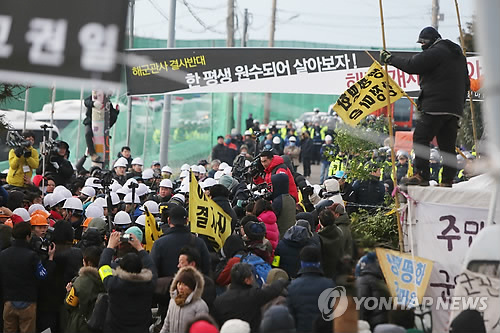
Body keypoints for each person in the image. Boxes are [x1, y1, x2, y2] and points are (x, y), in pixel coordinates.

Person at [380, 26, 469, 187]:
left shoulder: (436, 52)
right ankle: (447, 180)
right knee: (447, 146)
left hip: (435, 105)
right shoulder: (458, 56)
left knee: (421, 138)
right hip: (454, 109)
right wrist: (458, 106)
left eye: (423, 42)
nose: (422, 46)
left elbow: (412, 65)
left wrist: (390, 59)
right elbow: (467, 83)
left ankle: (421, 175)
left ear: (431, 41)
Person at [0, 222, 55, 333]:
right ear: (27, 237)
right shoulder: (32, 256)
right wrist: (50, 259)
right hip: (28, 302)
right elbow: (43, 275)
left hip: (8, 302)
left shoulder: (3, 255)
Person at [99, 231, 157, 333]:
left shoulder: (113, 284)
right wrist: (139, 248)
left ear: (121, 267)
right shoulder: (149, 283)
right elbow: (151, 267)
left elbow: (103, 266)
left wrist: (110, 246)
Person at [213, 262, 288, 331]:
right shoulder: (254, 295)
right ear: (247, 280)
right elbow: (272, 290)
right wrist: (281, 281)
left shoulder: (219, 301)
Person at [287, 246, 335, 332]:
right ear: (319, 262)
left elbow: (290, 317)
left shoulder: (292, 287)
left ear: (301, 262)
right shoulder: (330, 285)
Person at [63, 246, 105, 333]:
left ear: (88, 262)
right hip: (102, 323)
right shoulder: (108, 278)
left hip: (82, 324)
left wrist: (68, 292)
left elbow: (69, 304)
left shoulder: (80, 282)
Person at [161, 266, 209, 333]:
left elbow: (201, 330)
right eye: (179, 283)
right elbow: (166, 325)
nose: (180, 287)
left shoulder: (200, 306)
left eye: (185, 285)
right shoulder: (173, 301)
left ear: (192, 287)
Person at [83, 92, 119, 162]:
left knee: (103, 141)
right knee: (88, 133)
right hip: (90, 122)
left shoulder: (107, 102)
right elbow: (86, 102)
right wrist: (93, 103)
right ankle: (92, 153)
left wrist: (117, 111)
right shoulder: (93, 97)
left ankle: (105, 158)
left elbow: (113, 116)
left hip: (102, 127)